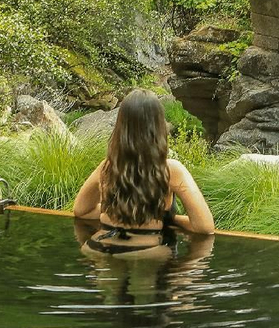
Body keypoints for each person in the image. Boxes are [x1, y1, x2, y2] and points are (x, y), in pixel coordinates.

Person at [72, 89, 214, 258]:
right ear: (158, 127)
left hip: (99, 249)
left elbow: (81, 211)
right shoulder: (171, 170)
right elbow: (205, 228)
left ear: (120, 126)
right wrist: (171, 219)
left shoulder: (107, 167)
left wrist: (114, 216)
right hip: (149, 254)